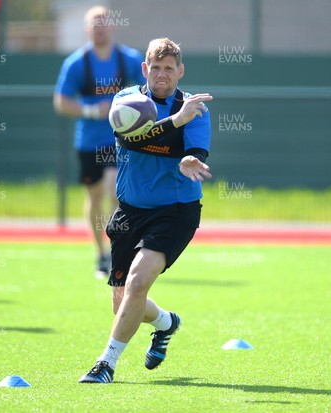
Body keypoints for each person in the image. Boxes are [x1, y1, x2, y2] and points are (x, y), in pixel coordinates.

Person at [79, 38, 213, 383]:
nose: (162, 74)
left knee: (138, 282)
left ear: (180, 71)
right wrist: (174, 123)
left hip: (175, 211)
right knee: (122, 300)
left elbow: (195, 150)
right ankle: (166, 323)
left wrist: (188, 158)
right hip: (129, 211)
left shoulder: (194, 107)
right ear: (145, 69)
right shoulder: (126, 100)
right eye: (156, 67)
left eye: (169, 68)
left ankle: (106, 364)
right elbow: (129, 138)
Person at [54, 5, 146, 278]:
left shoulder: (128, 58)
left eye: (104, 22)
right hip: (88, 142)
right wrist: (92, 110)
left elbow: (147, 89)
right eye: (94, 23)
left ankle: (120, 248)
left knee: (114, 190)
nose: (100, 27)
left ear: (112, 26)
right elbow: (61, 102)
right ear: (86, 29)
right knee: (94, 196)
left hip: (120, 140)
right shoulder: (76, 63)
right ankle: (100, 255)